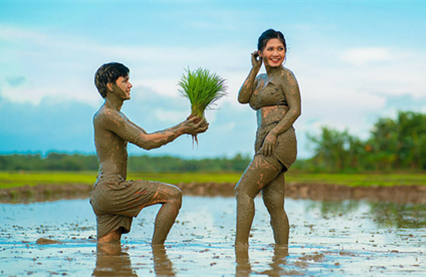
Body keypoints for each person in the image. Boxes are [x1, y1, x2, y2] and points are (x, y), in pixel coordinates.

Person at [90, 62, 208, 245]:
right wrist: (183, 129)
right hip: (112, 189)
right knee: (173, 195)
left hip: (104, 192)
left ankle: (44, 242)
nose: (130, 85)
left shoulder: (115, 114)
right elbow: (146, 142)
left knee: (108, 253)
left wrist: (183, 125)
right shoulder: (108, 115)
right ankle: (157, 251)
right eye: (125, 81)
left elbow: (146, 136)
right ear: (110, 86)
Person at [235, 29, 301, 247]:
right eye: (270, 49)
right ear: (260, 52)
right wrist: (254, 69)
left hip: (279, 140)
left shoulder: (286, 76)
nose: (276, 53)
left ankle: (240, 250)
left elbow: (295, 110)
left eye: (280, 49)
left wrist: (273, 133)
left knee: (243, 190)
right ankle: (282, 256)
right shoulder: (261, 78)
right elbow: (243, 98)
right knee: (273, 203)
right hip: (263, 140)